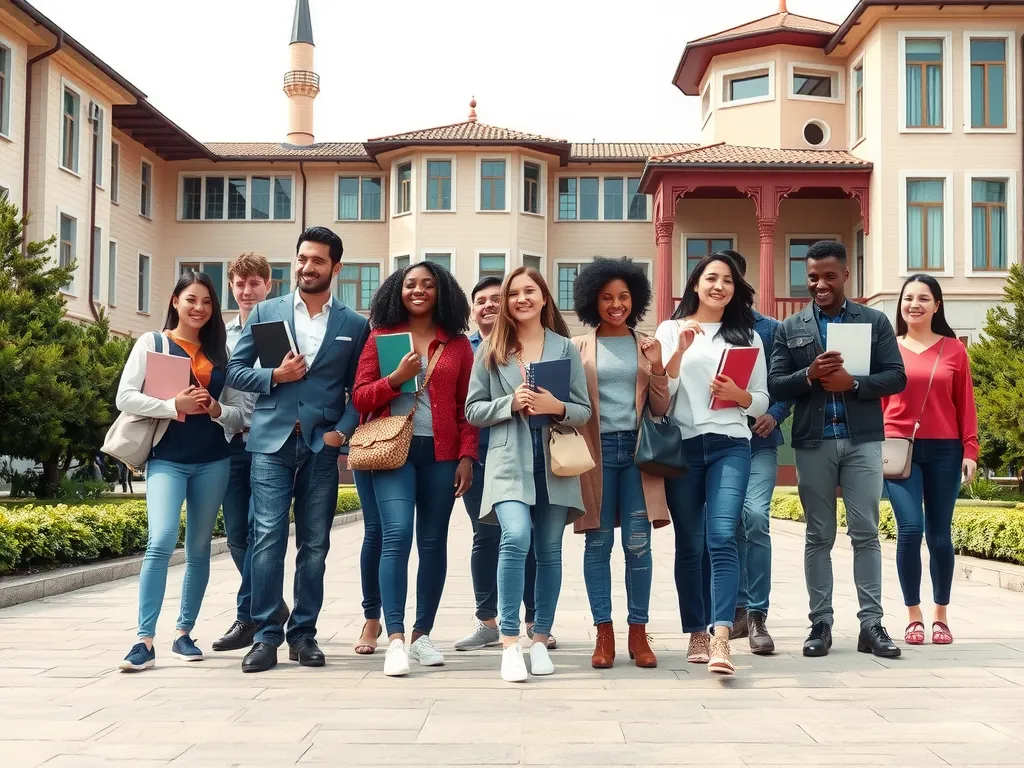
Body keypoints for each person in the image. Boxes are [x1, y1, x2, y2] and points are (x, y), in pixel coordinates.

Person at [226, 226, 370, 673]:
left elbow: (358, 390)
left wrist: (340, 434)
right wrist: (274, 378)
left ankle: (303, 634)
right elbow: (234, 370)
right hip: (269, 440)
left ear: (336, 267)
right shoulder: (267, 311)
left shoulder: (354, 324)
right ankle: (267, 636)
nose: (308, 267)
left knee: (315, 545)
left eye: (318, 261)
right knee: (267, 537)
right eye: (302, 259)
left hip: (321, 446)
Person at [769, 240, 906, 659]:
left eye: (829, 275)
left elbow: (897, 377)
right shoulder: (789, 328)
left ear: (846, 274)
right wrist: (807, 374)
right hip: (813, 442)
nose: (821, 284)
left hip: (863, 441)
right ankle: (821, 623)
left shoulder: (874, 321)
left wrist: (856, 384)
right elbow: (776, 383)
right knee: (819, 535)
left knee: (866, 534)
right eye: (813, 276)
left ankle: (871, 625)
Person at [466, 266, 591, 683]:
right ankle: (508, 641)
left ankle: (540, 639)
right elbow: (472, 410)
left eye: (530, 291)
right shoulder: (491, 349)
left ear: (543, 297)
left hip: (555, 460)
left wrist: (555, 406)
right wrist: (510, 403)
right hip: (507, 462)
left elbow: (583, 410)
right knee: (515, 536)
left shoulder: (564, 348)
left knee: (550, 551)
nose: (521, 298)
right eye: (514, 292)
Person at [352, 262, 477, 677]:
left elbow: (466, 409)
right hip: (392, 450)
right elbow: (360, 398)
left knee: (432, 541)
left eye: (428, 284)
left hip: (441, 454)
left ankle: (423, 634)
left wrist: (467, 456)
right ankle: (395, 638)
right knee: (397, 533)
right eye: (410, 284)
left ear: (442, 292)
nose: (419, 290)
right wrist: (397, 378)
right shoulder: (381, 337)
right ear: (397, 291)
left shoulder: (458, 345)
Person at [116, 272, 245, 671]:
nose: (199, 308)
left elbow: (241, 413)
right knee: (161, 541)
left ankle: (184, 634)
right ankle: (143, 640)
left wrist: (215, 409)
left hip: (213, 460)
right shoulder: (153, 343)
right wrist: (175, 406)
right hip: (167, 458)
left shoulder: (222, 354)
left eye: (207, 302)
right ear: (175, 301)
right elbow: (126, 397)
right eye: (191, 299)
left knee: (200, 549)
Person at [655, 252, 768, 675]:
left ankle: (721, 637)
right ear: (695, 284)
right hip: (682, 446)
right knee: (689, 544)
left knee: (721, 535)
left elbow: (761, 401)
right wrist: (679, 352)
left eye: (727, 280)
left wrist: (740, 396)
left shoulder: (748, 336)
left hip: (729, 445)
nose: (719, 286)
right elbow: (660, 392)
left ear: (735, 290)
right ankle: (696, 632)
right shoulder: (671, 329)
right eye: (711, 278)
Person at [571, 257, 669, 669]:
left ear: (636, 299)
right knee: (598, 543)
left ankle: (639, 633)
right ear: (594, 301)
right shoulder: (578, 346)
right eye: (608, 297)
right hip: (593, 455)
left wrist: (659, 365)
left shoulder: (645, 343)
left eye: (624, 297)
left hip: (637, 455)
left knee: (638, 544)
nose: (616, 304)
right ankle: (603, 633)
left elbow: (662, 408)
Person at [455, 276, 553, 653]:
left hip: (522, 453)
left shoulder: (533, 347)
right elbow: (463, 409)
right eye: (481, 301)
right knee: (486, 537)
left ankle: (532, 621)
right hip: (477, 455)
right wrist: (463, 456)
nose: (490, 305)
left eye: (499, 298)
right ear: (472, 310)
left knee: (523, 535)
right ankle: (488, 622)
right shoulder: (467, 349)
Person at [883, 275, 978, 646]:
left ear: (937, 305)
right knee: (909, 530)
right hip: (897, 450)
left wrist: (970, 450)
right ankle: (913, 615)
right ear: (900, 305)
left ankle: (940, 614)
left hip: (944, 450)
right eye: (908, 298)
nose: (915, 304)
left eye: (924, 298)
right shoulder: (887, 348)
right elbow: (876, 403)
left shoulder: (954, 349)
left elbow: (965, 404)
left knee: (939, 536)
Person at [723, 249, 792, 655]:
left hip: (761, 442)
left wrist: (777, 414)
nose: (721, 286)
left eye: (729, 278)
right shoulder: (702, 329)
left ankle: (757, 614)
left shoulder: (771, 329)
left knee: (754, 516)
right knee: (728, 525)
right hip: (718, 444)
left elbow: (787, 384)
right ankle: (735, 611)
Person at [212, 253, 274, 653]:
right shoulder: (221, 336)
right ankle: (272, 603)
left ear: (269, 285)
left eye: (255, 283)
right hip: (229, 441)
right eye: (240, 284)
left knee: (258, 531)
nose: (247, 290)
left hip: (268, 442)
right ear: (231, 287)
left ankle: (248, 616)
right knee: (236, 536)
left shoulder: (278, 329)